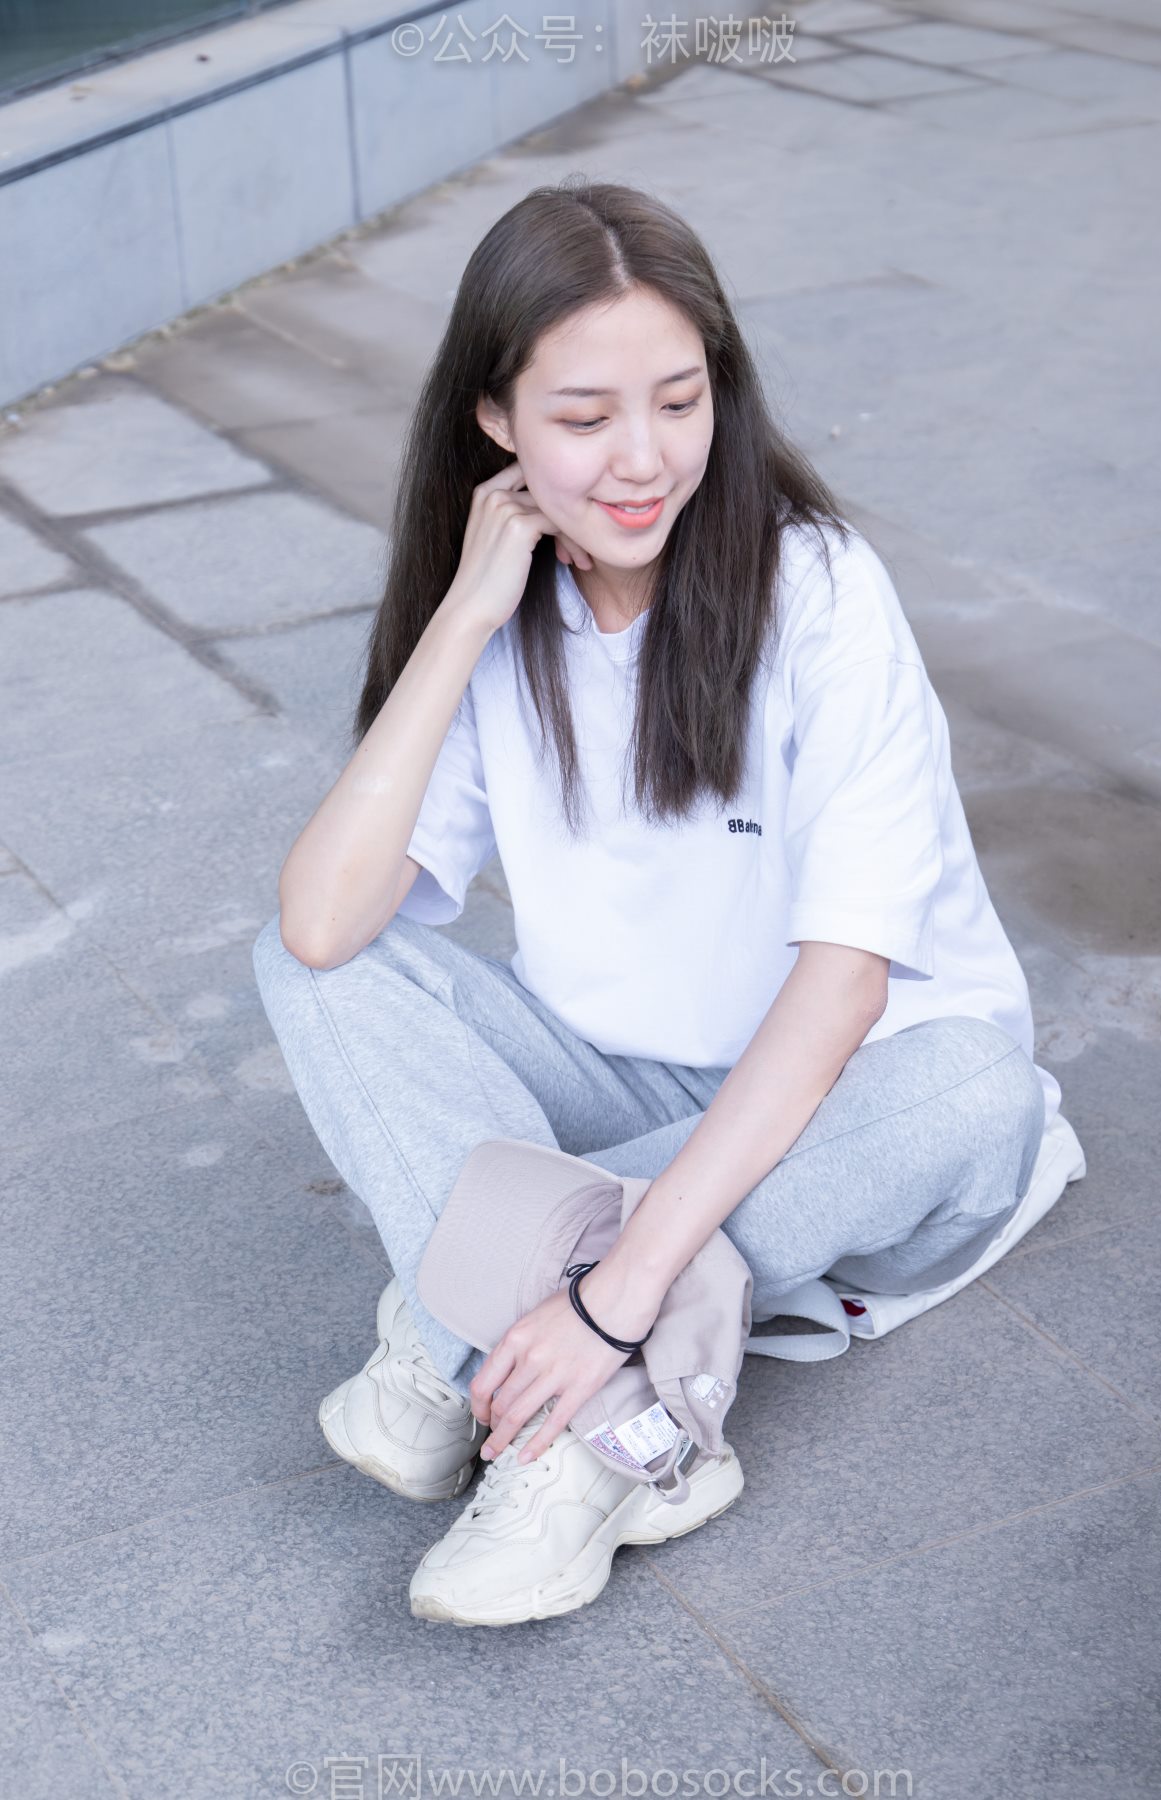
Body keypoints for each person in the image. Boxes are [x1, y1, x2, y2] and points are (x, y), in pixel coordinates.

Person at [252, 176, 1064, 1628]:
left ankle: (496, 1353)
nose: (642, 460)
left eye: (679, 402)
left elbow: (845, 989)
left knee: (977, 1088)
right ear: (496, 421)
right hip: (619, 1082)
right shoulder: (503, 614)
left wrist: (607, 1297)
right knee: (315, 965)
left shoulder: (819, 592)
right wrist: (464, 615)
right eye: (582, 418)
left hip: (855, 1101)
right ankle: (622, 1427)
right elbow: (323, 924)